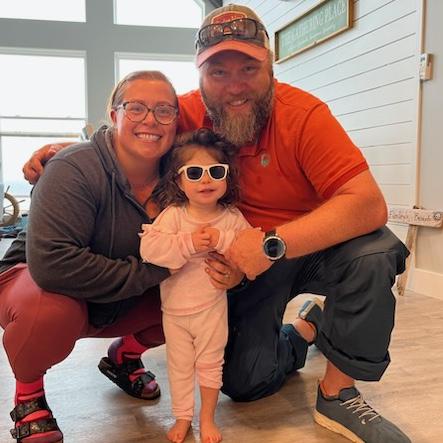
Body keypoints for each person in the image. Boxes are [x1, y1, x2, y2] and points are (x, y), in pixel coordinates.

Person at [21, 4, 411, 443]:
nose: (235, 86)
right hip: (242, 264)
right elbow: (131, 134)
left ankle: (338, 393)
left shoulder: (304, 115)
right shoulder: (186, 113)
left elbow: (369, 204)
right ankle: (307, 329)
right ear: (200, 75)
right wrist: (72, 153)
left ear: (270, 67)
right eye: (218, 72)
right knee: (245, 383)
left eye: (248, 68)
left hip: (297, 246)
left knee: (375, 251)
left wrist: (270, 245)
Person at [0, 71, 239, 443]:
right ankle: (29, 394)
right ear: (114, 115)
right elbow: (53, 266)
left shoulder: (182, 174)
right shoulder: (72, 168)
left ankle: (125, 357)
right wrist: (162, 266)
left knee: (198, 294)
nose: (150, 120)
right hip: (38, 282)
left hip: (122, 286)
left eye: (164, 111)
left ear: (176, 122)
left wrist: (232, 267)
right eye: (136, 108)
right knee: (49, 311)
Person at [140, 128, 250, 443]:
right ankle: (183, 416)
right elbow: (149, 249)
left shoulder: (230, 217)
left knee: (211, 364)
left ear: (226, 178)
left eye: (216, 172)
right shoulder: (174, 216)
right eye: (194, 173)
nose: (205, 180)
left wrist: (221, 239)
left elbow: (249, 247)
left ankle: (207, 418)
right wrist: (188, 243)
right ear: (179, 181)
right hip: (174, 312)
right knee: (179, 367)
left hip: (212, 309)